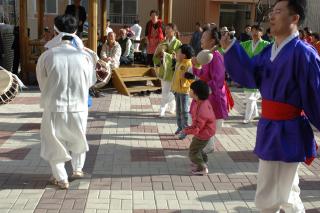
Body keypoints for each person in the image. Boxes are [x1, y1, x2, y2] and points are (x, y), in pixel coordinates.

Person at [221, 0, 320, 211]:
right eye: (272, 12)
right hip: (269, 126)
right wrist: (230, 48)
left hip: (290, 129)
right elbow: (250, 74)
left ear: (294, 18)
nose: (271, 17)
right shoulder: (268, 52)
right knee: (280, 188)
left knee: (279, 192)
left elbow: (315, 96)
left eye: (278, 11)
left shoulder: (304, 53)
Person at [36, 14, 96, 189]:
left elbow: (42, 82)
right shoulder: (85, 56)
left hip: (54, 105)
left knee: (53, 140)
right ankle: (77, 169)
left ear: (55, 30)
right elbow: (91, 81)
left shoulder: (47, 56)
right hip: (79, 106)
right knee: (78, 137)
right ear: (76, 30)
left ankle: (61, 177)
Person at [191, 28, 228, 154]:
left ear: (212, 41)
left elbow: (218, 80)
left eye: (204, 37)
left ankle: (208, 146)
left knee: (208, 121)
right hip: (207, 96)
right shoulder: (206, 55)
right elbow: (202, 74)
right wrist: (195, 66)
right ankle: (208, 144)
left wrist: (204, 90)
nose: (201, 39)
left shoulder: (216, 56)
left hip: (213, 97)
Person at [182, 80, 216, 175]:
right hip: (206, 131)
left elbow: (197, 127)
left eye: (190, 90)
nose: (189, 91)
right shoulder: (201, 102)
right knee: (199, 148)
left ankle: (202, 168)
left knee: (193, 151)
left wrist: (185, 131)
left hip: (203, 133)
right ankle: (203, 162)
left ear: (196, 94)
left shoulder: (201, 108)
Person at [240, 25, 270, 124]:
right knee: (250, 96)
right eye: (252, 31)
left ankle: (248, 117)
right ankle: (255, 113)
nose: (254, 33)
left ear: (261, 33)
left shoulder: (266, 44)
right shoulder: (246, 44)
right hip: (248, 74)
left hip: (260, 74)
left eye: (257, 31)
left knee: (251, 97)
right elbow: (235, 49)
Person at [153, 23, 182, 117]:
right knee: (166, 90)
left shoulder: (178, 43)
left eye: (168, 29)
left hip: (173, 70)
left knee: (169, 91)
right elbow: (156, 55)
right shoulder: (162, 42)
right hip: (164, 69)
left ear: (173, 31)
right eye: (165, 29)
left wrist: (165, 55)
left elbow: (178, 57)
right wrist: (159, 56)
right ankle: (171, 108)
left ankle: (162, 109)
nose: (166, 30)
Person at [171, 44, 194, 140]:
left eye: (179, 53)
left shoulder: (189, 64)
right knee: (178, 110)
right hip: (177, 90)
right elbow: (175, 75)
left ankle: (185, 130)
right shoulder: (179, 62)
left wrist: (189, 76)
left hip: (184, 91)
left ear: (184, 55)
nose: (177, 54)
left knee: (184, 111)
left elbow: (193, 77)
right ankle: (180, 127)